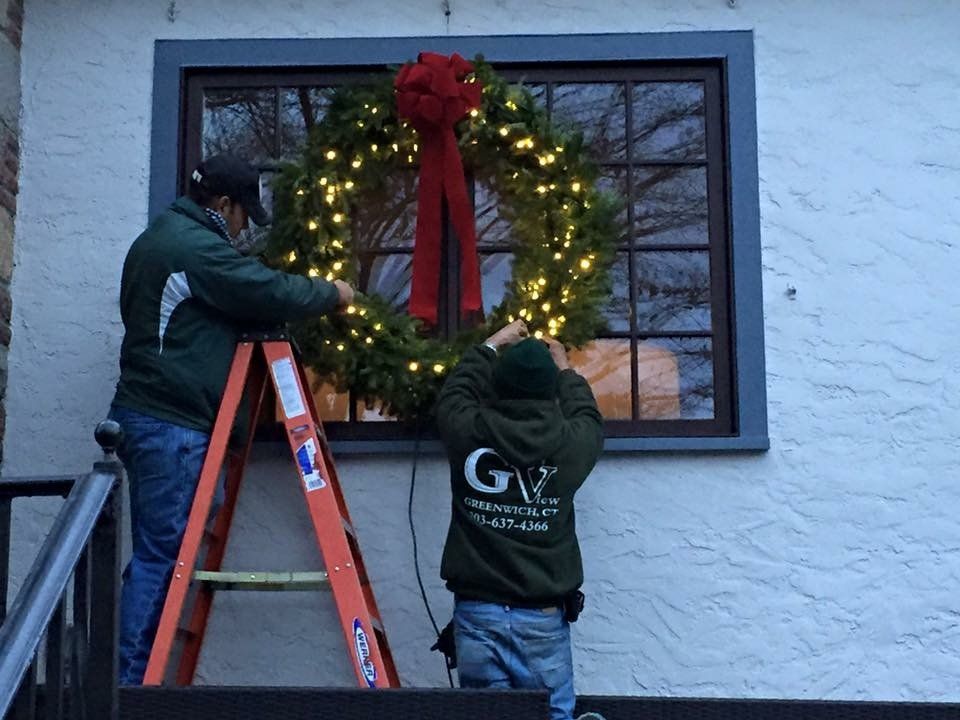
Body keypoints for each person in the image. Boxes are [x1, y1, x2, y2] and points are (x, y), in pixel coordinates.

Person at [107, 154, 354, 685]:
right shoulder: (193, 249)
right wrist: (333, 292)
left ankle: (135, 679)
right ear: (223, 205)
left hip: (159, 418)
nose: (244, 229)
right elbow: (262, 290)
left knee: (171, 544)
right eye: (244, 216)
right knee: (163, 556)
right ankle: (127, 690)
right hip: (171, 422)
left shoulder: (164, 241)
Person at [435, 319, 604, 720]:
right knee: (553, 715)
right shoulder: (572, 442)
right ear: (550, 392)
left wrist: (493, 343)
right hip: (542, 617)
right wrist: (564, 369)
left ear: (498, 387)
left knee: (490, 715)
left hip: (477, 615)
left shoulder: (468, 428)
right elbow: (588, 415)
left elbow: (455, 392)